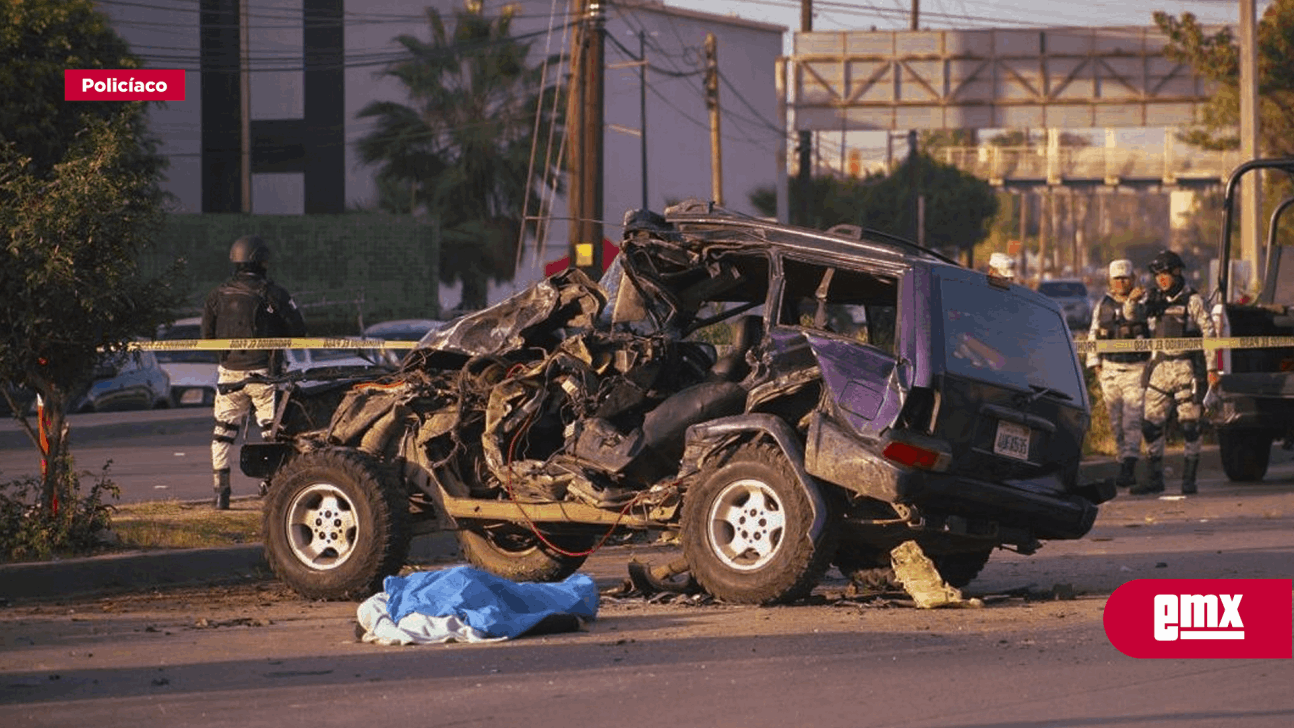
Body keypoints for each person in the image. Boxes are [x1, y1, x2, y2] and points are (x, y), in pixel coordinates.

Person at [201, 235, 306, 509]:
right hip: (264, 374)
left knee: (222, 433)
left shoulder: (216, 294)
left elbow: (206, 336)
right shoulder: (274, 293)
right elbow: (299, 330)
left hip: (228, 376)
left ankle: (220, 493)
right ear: (261, 261)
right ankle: (274, 487)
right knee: (273, 434)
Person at [1124, 250, 1219, 495]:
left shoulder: (1193, 300)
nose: (1161, 279)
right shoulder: (1153, 299)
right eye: (1157, 275)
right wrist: (1132, 301)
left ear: (1176, 272)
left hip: (1186, 369)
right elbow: (1131, 316)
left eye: (1165, 274)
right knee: (1150, 424)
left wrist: (1211, 369)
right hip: (1159, 370)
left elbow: (1209, 334)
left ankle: (1189, 480)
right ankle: (1154, 478)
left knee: (1190, 425)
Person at [1087, 259, 1151, 489]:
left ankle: (1129, 467)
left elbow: (1134, 318)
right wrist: (1095, 364)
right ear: (1110, 281)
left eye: (1125, 278)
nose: (1121, 282)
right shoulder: (1102, 304)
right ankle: (1122, 460)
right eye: (1117, 278)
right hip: (1110, 370)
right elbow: (1093, 334)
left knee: (1131, 421)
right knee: (1116, 422)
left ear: (1133, 279)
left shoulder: (1143, 303)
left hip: (1135, 370)